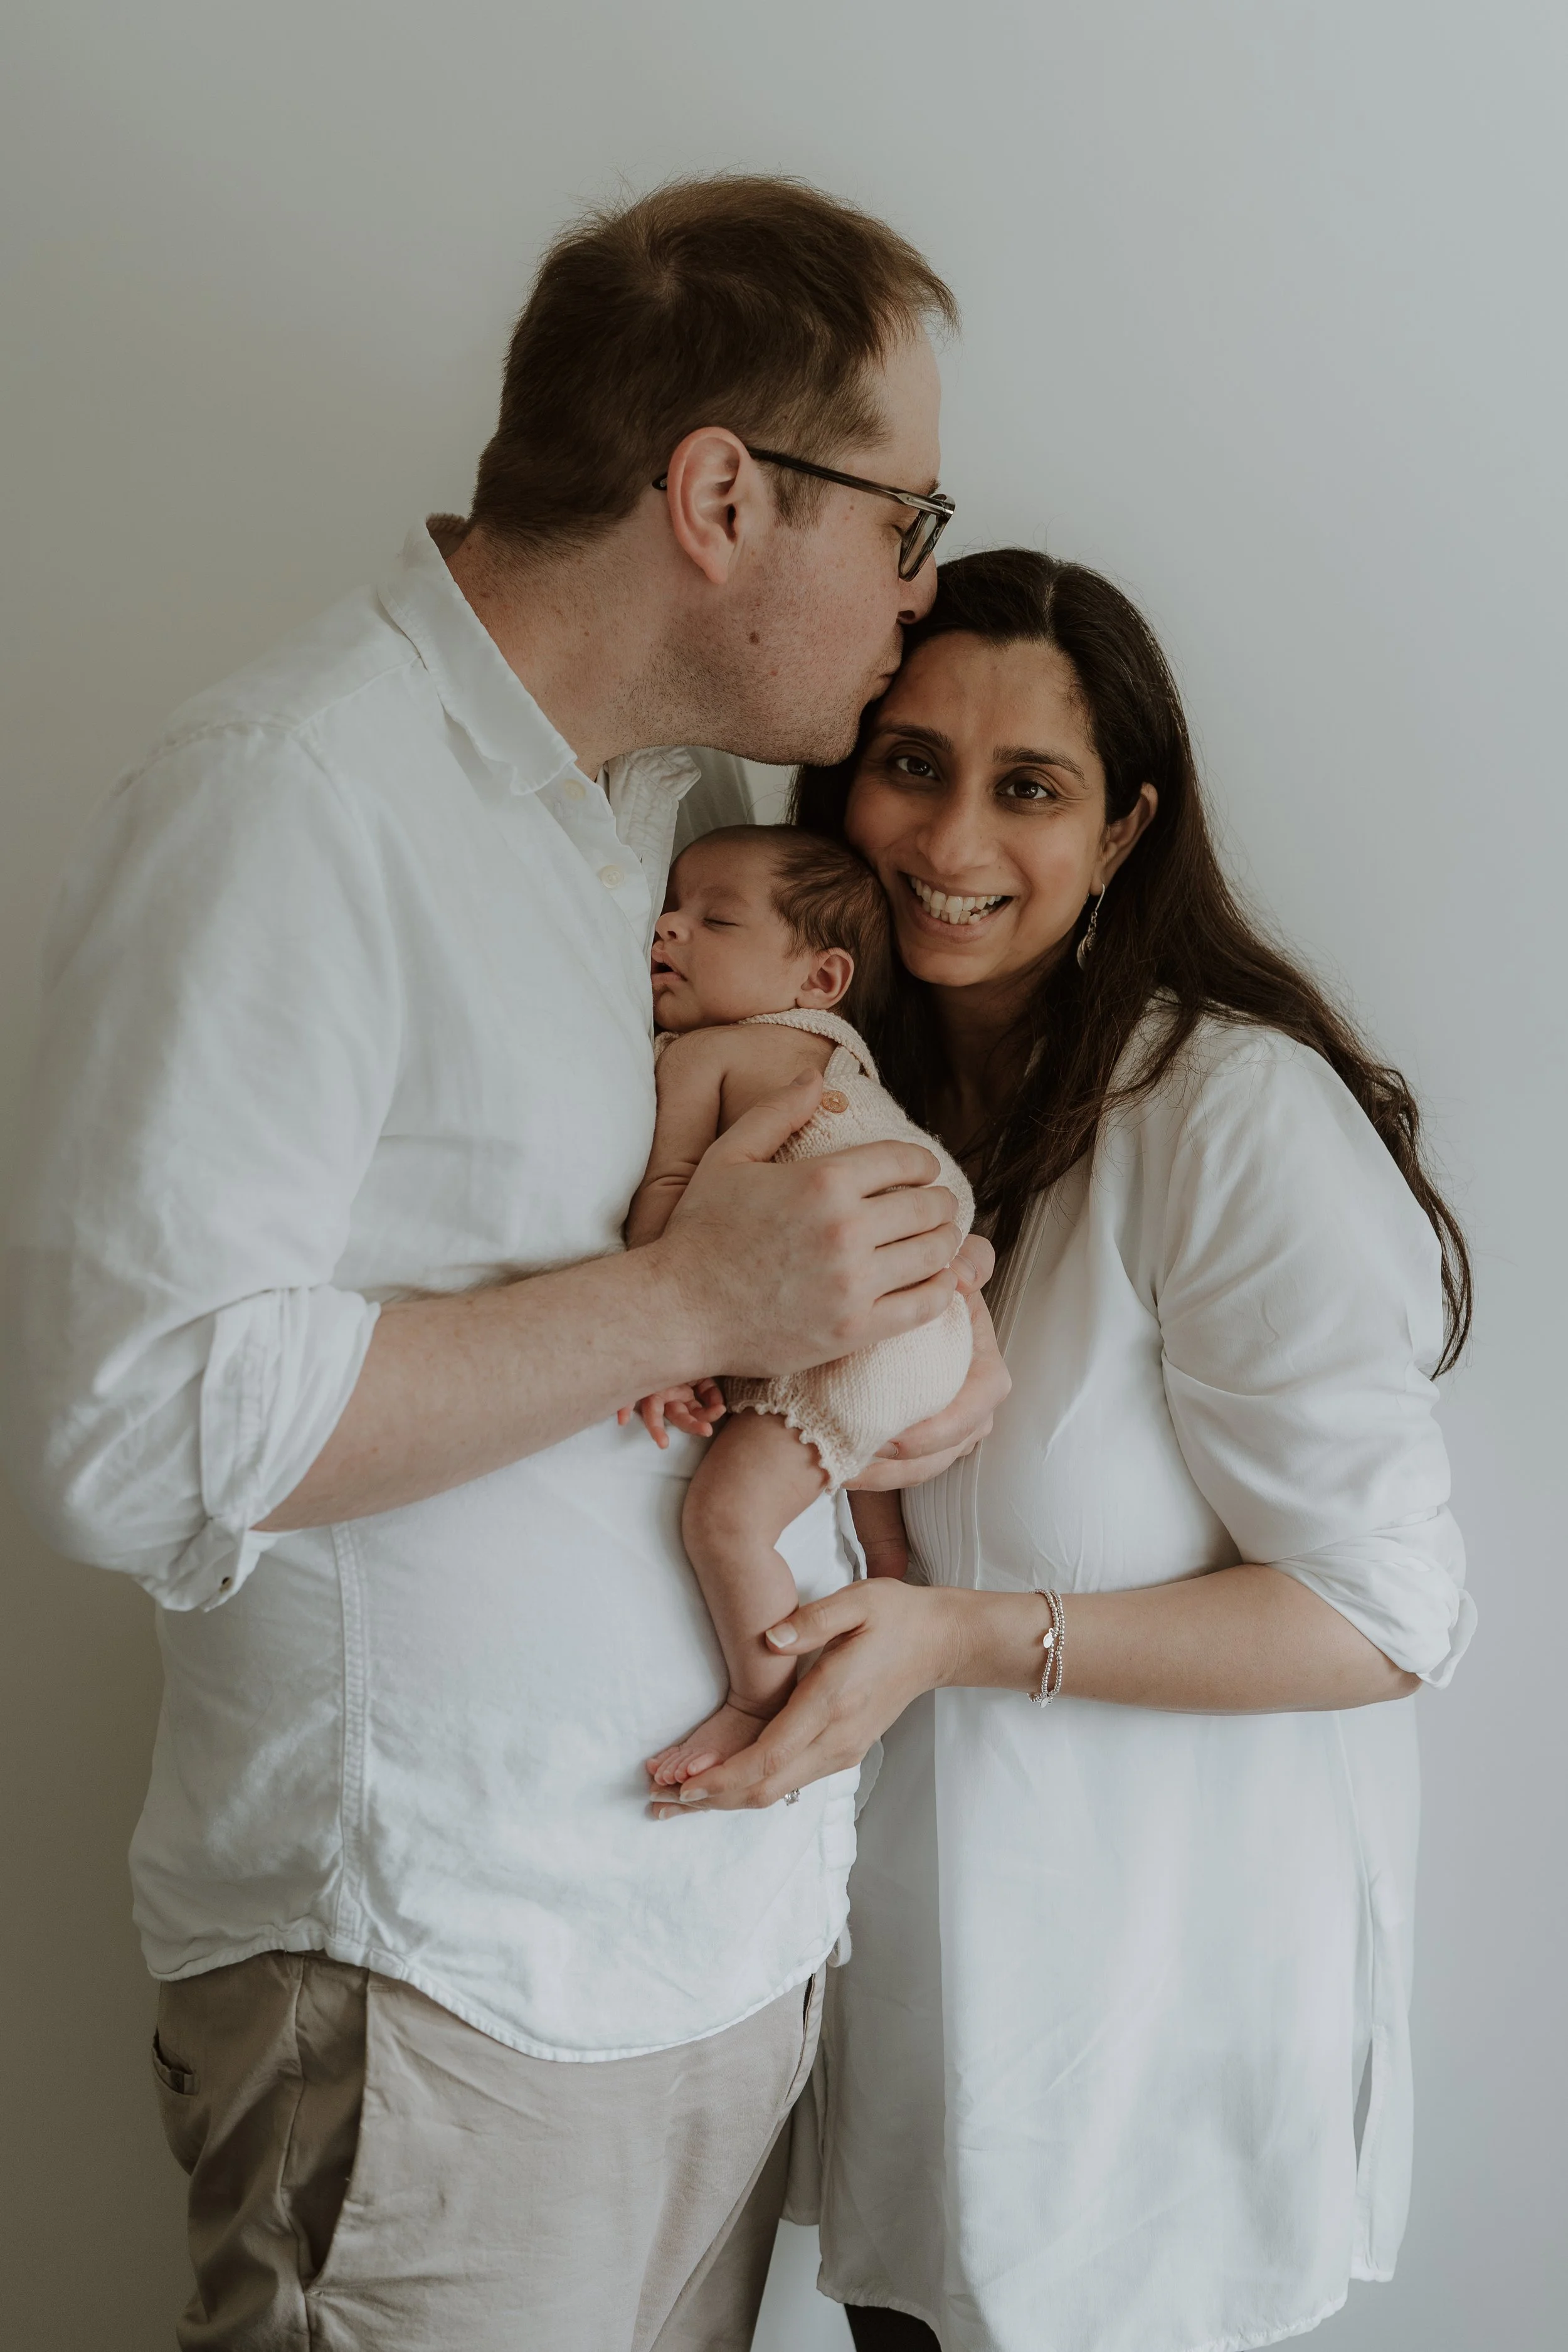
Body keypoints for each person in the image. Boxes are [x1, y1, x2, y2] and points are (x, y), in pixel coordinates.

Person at [0, 179, 1012, 2352]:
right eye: (903, 523)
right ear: (724, 497)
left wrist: (900, 1324)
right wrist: (687, 1305)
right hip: (438, 2005)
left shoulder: (678, 819)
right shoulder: (284, 803)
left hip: (711, 1968)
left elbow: (763, 1189)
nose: (913, 594)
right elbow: (123, 1431)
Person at [653, 548, 1475, 2352]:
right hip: (917, 2047)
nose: (952, 836)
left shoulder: (1228, 1115)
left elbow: (1384, 1615)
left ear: (1120, 833)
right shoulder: (828, 1104)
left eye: (1028, 787)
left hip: (1154, 2067)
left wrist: (961, 1635)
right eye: (910, 763)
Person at [623, 826, 975, 1786]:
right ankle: (888, 1559)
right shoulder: (842, 1061)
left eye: (715, 919)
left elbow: (673, 1204)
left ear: (822, 977)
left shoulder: (709, 1056)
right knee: (848, 1464)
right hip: (929, 1319)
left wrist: (664, 1350)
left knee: (725, 1519)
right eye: (672, 907)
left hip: (855, 1344)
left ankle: (758, 1696)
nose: (668, 927)